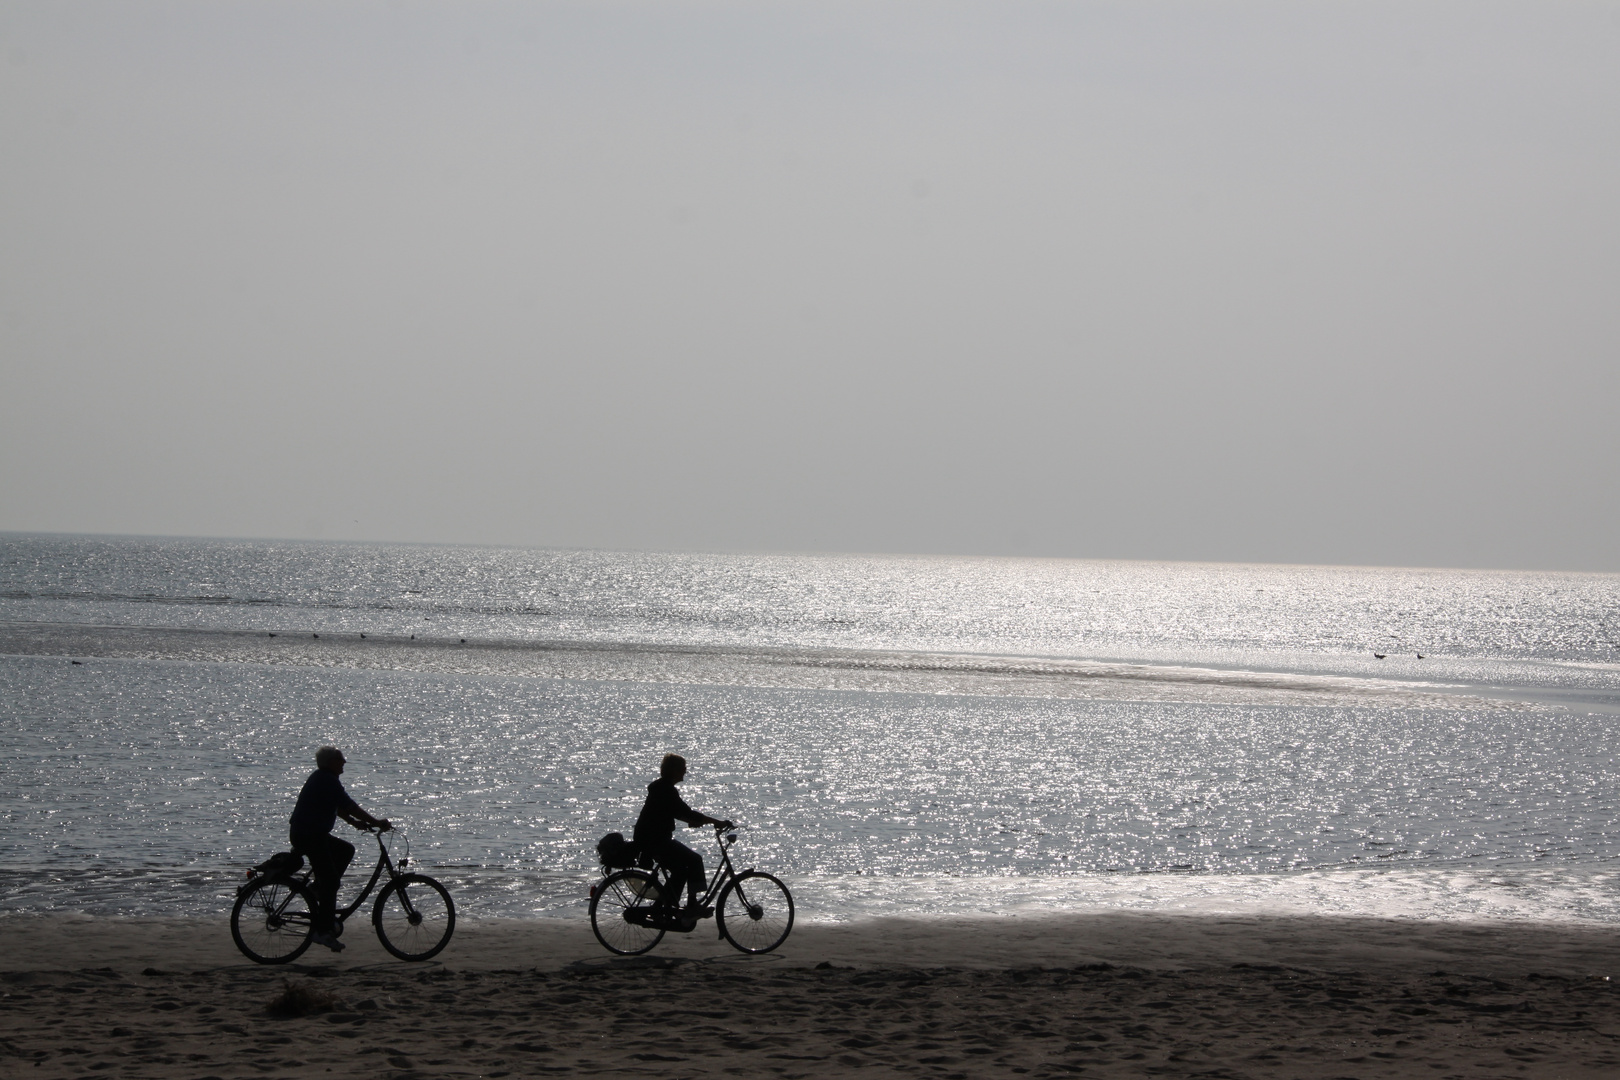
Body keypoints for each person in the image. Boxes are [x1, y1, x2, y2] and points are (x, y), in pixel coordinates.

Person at [288, 746, 391, 952]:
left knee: (345, 851)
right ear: (331, 762)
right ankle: (323, 930)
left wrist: (354, 823)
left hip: (311, 834)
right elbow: (350, 806)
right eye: (340, 759)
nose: (344, 762)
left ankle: (317, 889)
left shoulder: (324, 778)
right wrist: (376, 822)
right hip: (309, 836)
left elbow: (337, 807)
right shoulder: (327, 779)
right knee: (332, 881)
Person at [632, 754, 730, 922]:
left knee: (680, 870)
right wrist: (716, 822)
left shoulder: (662, 788)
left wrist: (693, 821)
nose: (685, 771)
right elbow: (685, 812)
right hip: (655, 841)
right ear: (674, 770)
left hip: (651, 838)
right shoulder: (666, 790)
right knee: (694, 860)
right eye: (682, 768)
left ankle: (664, 906)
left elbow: (677, 812)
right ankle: (691, 906)